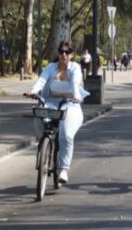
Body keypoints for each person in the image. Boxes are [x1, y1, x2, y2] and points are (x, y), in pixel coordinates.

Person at [25, 41, 89, 184]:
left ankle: (64, 169)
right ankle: (43, 150)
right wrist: (33, 91)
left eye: (67, 52)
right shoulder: (51, 67)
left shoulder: (75, 68)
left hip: (70, 104)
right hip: (51, 102)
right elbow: (41, 80)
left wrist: (77, 95)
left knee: (66, 135)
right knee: (41, 117)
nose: (64, 55)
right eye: (61, 52)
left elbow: (74, 83)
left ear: (72, 55)